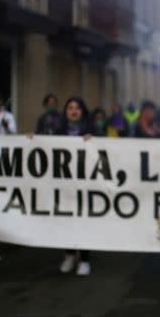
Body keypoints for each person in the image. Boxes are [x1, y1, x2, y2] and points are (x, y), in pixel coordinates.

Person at [56, 96, 93, 276]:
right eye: (70, 107)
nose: (73, 110)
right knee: (66, 220)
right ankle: (69, 255)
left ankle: (85, 260)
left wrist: (93, 140)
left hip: (85, 183)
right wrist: (33, 140)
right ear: (66, 111)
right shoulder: (58, 130)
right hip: (65, 184)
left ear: (82, 111)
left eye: (77, 107)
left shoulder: (92, 129)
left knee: (83, 221)